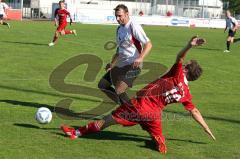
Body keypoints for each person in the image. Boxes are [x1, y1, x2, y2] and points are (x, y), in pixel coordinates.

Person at [61, 36, 216, 154]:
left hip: (139, 106)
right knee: (157, 136)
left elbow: (179, 57)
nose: (184, 64)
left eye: (186, 64)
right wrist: (206, 128)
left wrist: (189, 45)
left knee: (108, 120)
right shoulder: (186, 93)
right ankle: (159, 142)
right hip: (154, 115)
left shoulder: (176, 74)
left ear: (186, 70)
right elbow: (194, 111)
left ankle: (76, 132)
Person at [98, 4, 152, 105]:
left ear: (127, 14)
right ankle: (124, 107)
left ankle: (132, 112)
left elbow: (148, 44)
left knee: (119, 89)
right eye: (116, 16)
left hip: (134, 65)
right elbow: (119, 50)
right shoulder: (119, 29)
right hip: (121, 64)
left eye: (120, 16)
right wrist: (112, 64)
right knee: (103, 85)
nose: (117, 19)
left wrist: (140, 58)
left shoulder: (133, 26)